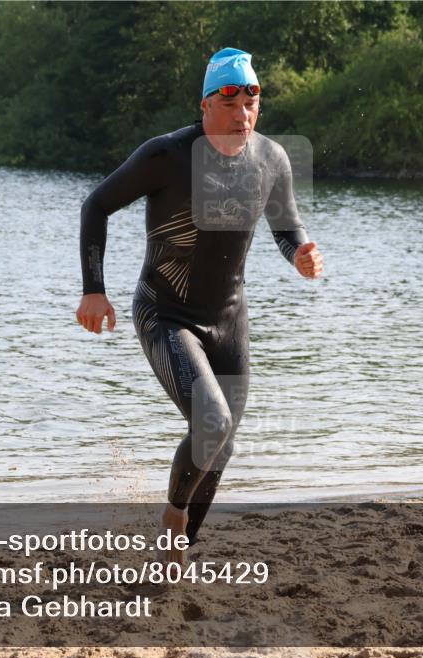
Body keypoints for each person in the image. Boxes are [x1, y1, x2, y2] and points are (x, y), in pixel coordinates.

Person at [76, 48, 324, 561]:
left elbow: (286, 224)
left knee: (222, 445)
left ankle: (178, 548)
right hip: (165, 313)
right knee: (211, 421)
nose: (242, 116)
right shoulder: (166, 156)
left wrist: (298, 252)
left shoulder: (272, 158)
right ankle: (172, 516)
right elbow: (96, 204)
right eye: (230, 104)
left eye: (251, 104)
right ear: (206, 104)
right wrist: (93, 288)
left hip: (229, 319)